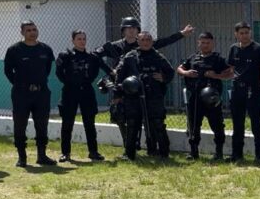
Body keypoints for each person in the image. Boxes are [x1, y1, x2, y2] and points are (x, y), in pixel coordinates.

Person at [96, 17, 192, 155]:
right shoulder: (120, 49)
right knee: (128, 121)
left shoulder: (155, 54)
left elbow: (168, 58)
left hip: (151, 92)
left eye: (134, 28)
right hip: (130, 91)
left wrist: (163, 77)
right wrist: (111, 74)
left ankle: (158, 150)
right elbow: (98, 56)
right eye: (128, 28)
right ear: (124, 31)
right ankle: (129, 151)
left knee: (156, 122)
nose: (131, 31)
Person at [113, 31, 175, 160]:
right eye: (143, 40)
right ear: (138, 41)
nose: (146, 42)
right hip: (133, 96)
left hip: (154, 95)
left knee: (157, 123)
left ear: (152, 42)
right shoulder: (130, 56)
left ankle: (164, 153)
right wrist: (118, 95)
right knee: (132, 124)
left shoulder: (158, 56)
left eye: (148, 40)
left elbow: (170, 72)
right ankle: (129, 154)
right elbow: (119, 76)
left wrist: (163, 77)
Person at [4, 21, 57, 167]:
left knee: (42, 125)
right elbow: (8, 70)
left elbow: (47, 69)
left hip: (41, 93)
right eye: (28, 30)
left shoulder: (45, 49)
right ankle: (22, 157)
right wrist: (19, 84)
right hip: (21, 94)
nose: (32, 32)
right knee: (20, 125)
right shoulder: (14, 50)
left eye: (34, 29)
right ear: (22, 32)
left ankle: (42, 155)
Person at [55, 30, 112, 162]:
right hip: (70, 91)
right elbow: (59, 72)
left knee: (89, 123)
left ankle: (93, 152)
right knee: (67, 123)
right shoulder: (65, 55)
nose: (82, 41)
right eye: (79, 39)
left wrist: (113, 75)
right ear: (73, 41)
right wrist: (69, 82)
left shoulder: (92, 57)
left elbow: (107, 69)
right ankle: (65, 153)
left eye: (84, 39)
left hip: (86, 91)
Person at [177, 31, 233, 161]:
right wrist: (186, 73)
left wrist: (216, 76)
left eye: (208, 43)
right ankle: (193, 152)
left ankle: (218, 153)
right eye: (203, 42)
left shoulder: (218, 59)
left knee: (217, 125)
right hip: (195, 97)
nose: (205, 45)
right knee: (193, 125)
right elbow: (179, 68)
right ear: (198, 43)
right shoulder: (193, 58)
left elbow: (231, 73)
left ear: (212, 43)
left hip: (212, 98)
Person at [227, 22, 260, 163]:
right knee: (237, 123)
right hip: (237, 90)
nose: (244, 35)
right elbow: (231, 68)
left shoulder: (258, 49)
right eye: (241, 33)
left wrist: (257, 86)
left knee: (256, 123)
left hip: (253, 90)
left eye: (247, 32)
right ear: (236, 34)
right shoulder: (233, 48)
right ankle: (236, 155)